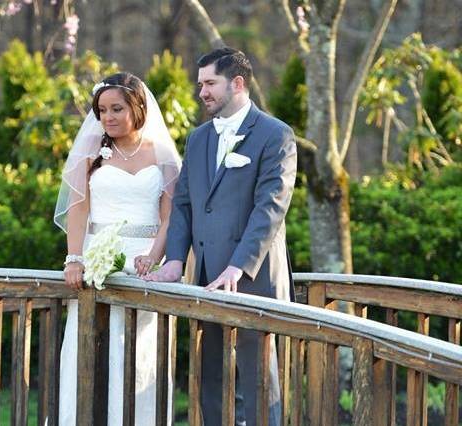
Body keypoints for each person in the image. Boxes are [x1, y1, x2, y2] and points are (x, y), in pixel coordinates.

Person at [146, 47, 297, 425]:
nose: (203, 92)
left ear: (238, 83)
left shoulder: (276, 135)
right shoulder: (198, 139)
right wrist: (176, 260)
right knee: (209, 377)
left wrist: (237, 267)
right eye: (201, 84)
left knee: (259, 380)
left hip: (255, 277)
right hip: (205, 279)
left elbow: (270, 209)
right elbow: (183, 205)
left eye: (210, 83)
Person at [53, 72, 181, 425]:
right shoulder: (91, 154)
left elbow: (171, 217)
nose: (107, 117)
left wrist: (154, 257)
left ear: (137, 107)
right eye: (101, 110)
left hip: (147, 265)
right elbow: (79, 209)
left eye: (116, 108)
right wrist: (75, 259)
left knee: (141, 354)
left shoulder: (163, 156)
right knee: (90, 347)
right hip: (98, 260)